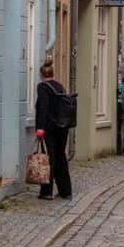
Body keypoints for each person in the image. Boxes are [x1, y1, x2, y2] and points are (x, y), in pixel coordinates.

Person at [34, 58, 72, 200]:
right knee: (60, 156)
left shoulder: (42, 87)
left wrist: (40, 128)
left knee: (48, 158)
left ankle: (47, 191)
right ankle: (65, 190)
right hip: (63, 126)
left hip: (49, 128)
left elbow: (43, 108)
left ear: (41, 74)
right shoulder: (60, 86)